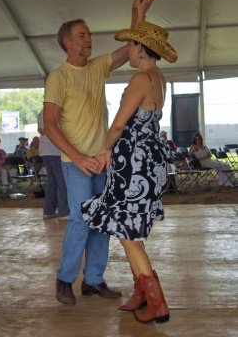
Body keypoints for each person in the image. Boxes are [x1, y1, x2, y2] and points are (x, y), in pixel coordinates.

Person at [43, 0, 158, 306]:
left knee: (103, 220)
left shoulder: (96, 67)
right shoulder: (58, 77)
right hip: (75, 162)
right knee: (81, 219)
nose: (88, 39)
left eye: (89, 34)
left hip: (102, 161)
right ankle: (65, 279)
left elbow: (131, 50)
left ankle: (93, 280)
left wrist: (139, 14)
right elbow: (49, 124)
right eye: (82, 35)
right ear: (67, 41)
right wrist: (78, 158)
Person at [81, 18, 178, 323]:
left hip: (131, 166)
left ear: (139, 47)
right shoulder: (158, 77)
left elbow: (120, 124)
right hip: (148, 163)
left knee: (127, 234)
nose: (128, 52)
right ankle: (141, 294)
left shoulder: (140, 79)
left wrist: (103, 149)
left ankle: (157, 303)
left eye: (131, 45)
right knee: (128, 232)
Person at [37, 110, 69, 219]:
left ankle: (49, 210)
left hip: (45, 151)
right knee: (61, 182)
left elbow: (41, 130)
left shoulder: (41, 113)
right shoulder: (55, 111)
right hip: (55, 150)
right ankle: (64, 211)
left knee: (52, 182)